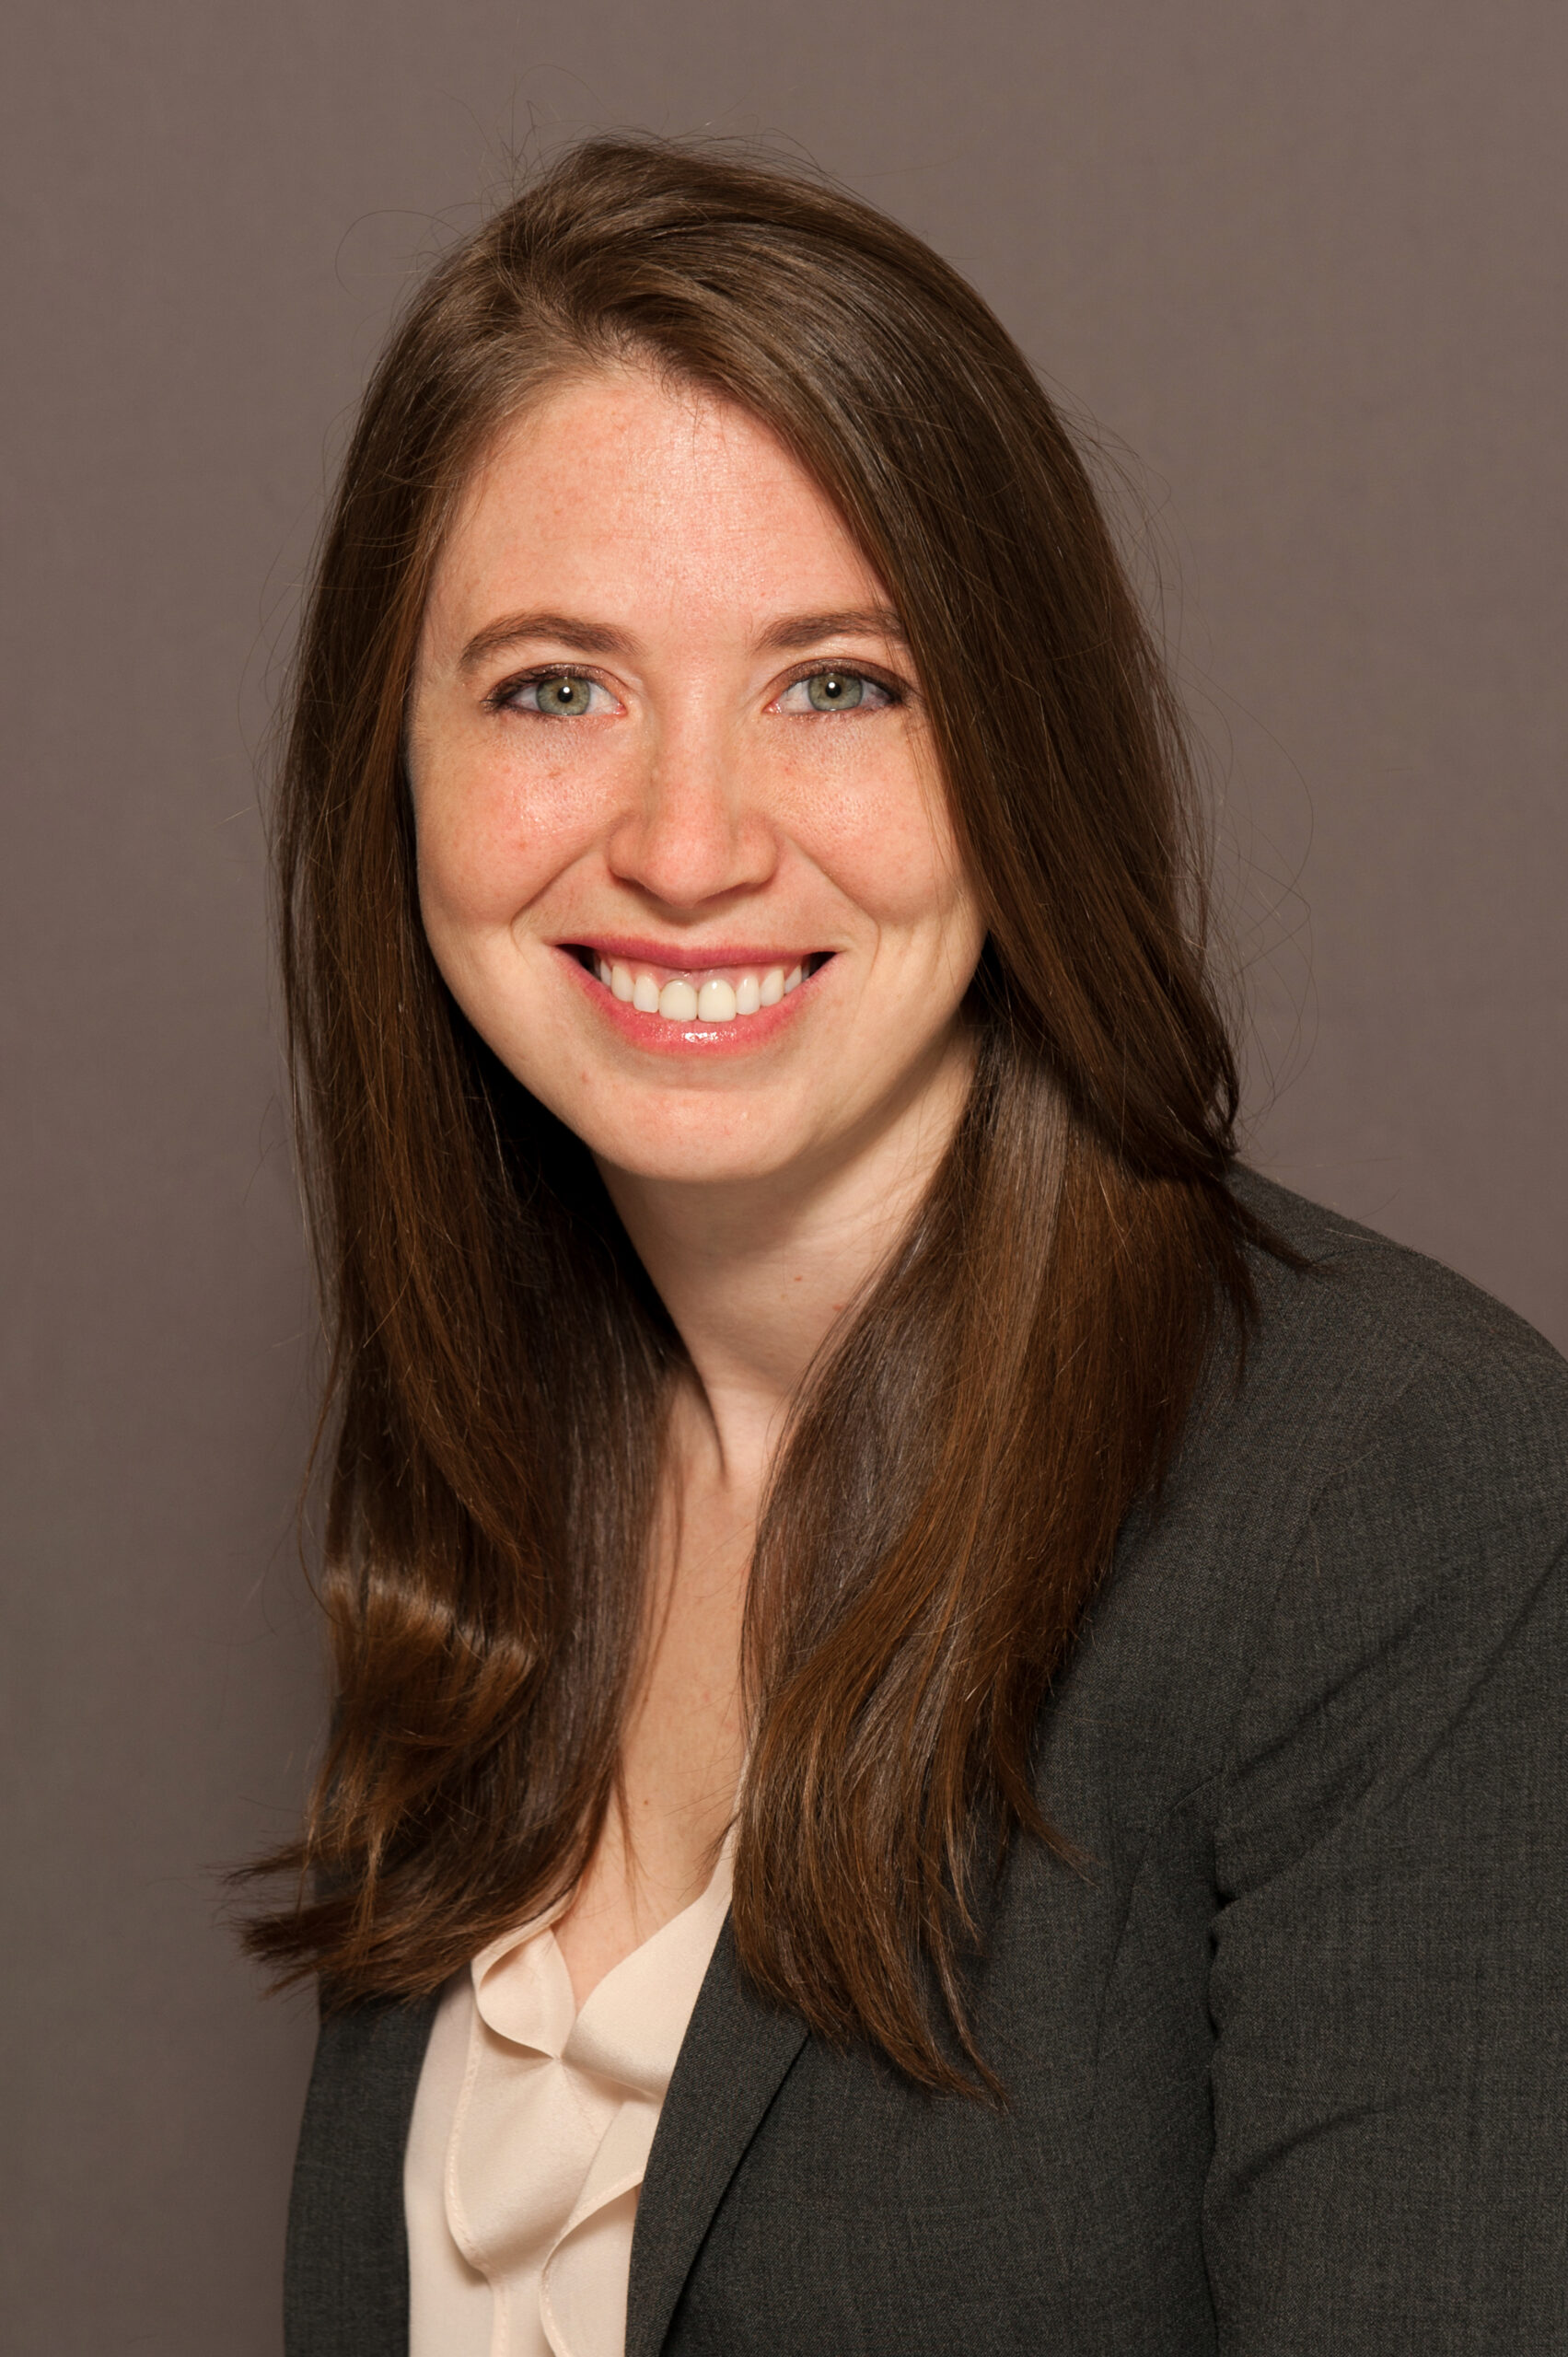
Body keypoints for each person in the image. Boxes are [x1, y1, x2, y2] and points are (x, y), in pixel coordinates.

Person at [250, 138, 1568, 2357]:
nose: (688, 841)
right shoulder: (502, 1455)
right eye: (555, 684)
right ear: (394, 770)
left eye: (839, 681)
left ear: (1023, 745)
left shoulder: (1412, 1507)